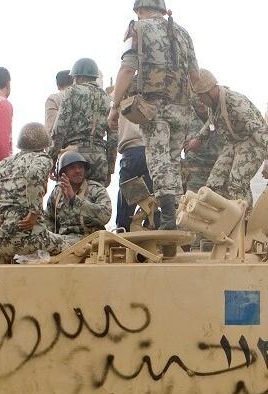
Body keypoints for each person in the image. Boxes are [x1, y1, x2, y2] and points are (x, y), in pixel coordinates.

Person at [108, 0, 201, 230]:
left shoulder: (138, 28)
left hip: (153, 109)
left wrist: (114, 107)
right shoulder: (183, 34)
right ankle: (177, 214)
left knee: (158, 162)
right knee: (171, 163)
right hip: (181, 110)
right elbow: (195, 77)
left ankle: (168, 219)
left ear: (139, 11)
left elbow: (128, 68)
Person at [186, 70, 268, 207]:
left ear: (209, 92)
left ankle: (245, 222)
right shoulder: (213, 104)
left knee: (236, 185)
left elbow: (260, 130)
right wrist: (199, 139)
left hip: (253, 142)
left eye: (200, 97)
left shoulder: (235, 103)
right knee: (213, 185)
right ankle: (224, 219)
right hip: (234, 143)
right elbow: (212, 121)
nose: (200, 100)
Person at [0, 123, 72, 260]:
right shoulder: (42, 158)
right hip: (32, 238)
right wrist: (34, 212)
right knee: (74, 247)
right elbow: (34, 173)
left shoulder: (4, 163)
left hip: (0, 243)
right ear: (45, 143)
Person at [52, 58, 117, 187]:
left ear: (79, 77)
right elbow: (113, 136)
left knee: (69, 202)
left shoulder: (72, 92)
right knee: (96, 202)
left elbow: (60, 128)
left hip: (74, 158)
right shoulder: (107, 98)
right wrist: (110, 169)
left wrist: (52, 158)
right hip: (99, 157)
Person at [46, 152, 113, 244]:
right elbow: (48, 219)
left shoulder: (96, 189)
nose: (78, 170)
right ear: (63, 173)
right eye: (72, 168)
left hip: (91, 239)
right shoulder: (57, 192)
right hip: (62, 241)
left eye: (80, 167)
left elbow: (105, 215)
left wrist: (74, 199)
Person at [115, 114, 153, 230]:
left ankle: (122, 240)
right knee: (152, 202)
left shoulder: (120, 96)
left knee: (126, 207)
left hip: (132, 151)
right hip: (155, 152)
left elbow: (111, 123)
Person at [44, 69, 73, 135]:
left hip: (61, 143)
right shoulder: (84, 98)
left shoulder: (53, 99)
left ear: (58, 85)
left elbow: (50, 127)